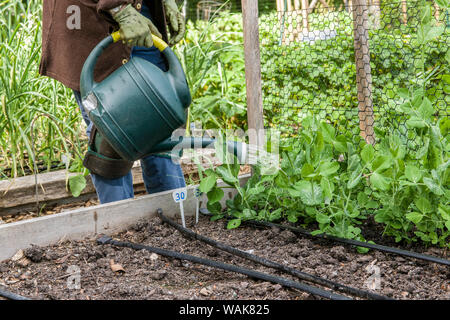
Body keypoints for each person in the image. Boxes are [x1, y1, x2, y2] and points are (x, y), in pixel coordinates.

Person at [39, 0, 187, 203]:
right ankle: (120, 227)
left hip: (141, 11)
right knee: (109, 134)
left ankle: (174, 213)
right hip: (92, 21)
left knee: (160, 122)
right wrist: (118, 8)